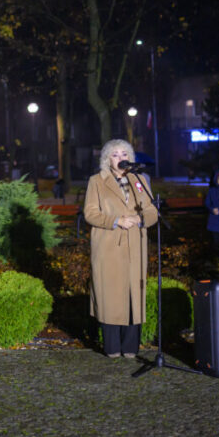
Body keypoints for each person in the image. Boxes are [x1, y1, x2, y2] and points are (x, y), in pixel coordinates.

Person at [83, 139, 158, 358]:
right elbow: (90, 213)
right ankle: (113, 347)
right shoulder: (97, 181)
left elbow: (152, 210)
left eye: (124, 153)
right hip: (108, 246)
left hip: (135, 245)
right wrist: (116, 221)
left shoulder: (139, 180)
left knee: (134, 294)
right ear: (107, 159)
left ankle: (130, 348)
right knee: (111, 296)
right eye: (115, 154)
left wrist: (140, 218)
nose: (120, 157)